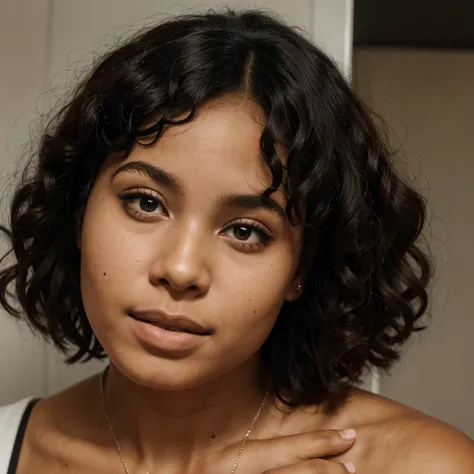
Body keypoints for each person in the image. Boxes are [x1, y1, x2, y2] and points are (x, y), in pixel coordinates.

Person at [0, 8, 472, 474]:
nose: (181, 270)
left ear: (302, 269)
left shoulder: (424, 464)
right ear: (80, 209)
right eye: (146, 203)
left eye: (245, 231)